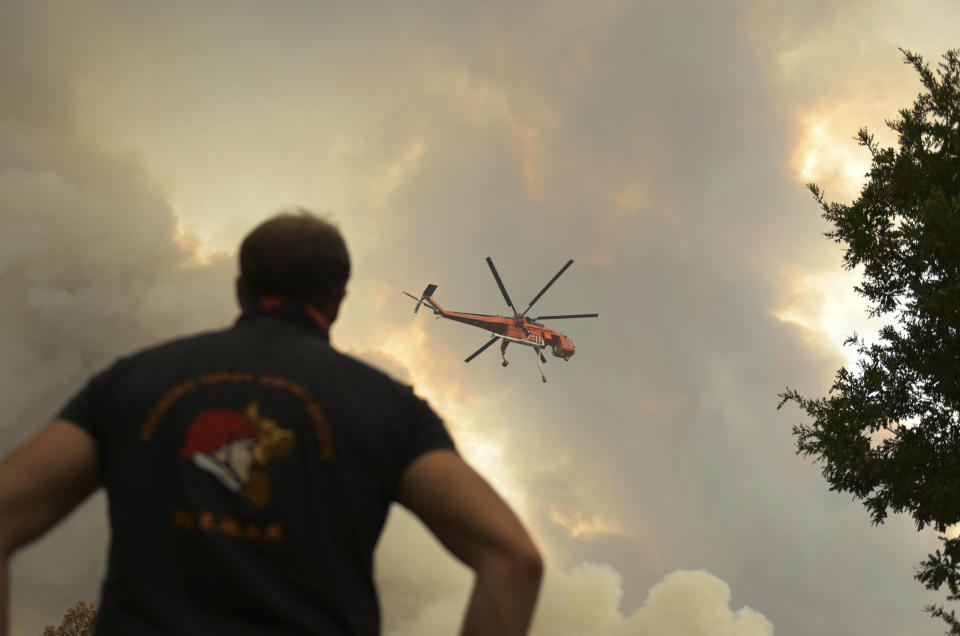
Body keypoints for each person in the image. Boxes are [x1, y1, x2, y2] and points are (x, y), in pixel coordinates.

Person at [0, 211, 543, 635]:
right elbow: (514, 558)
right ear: (338, 300)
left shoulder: (134, 381)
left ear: (240, 288)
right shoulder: (390, 409)